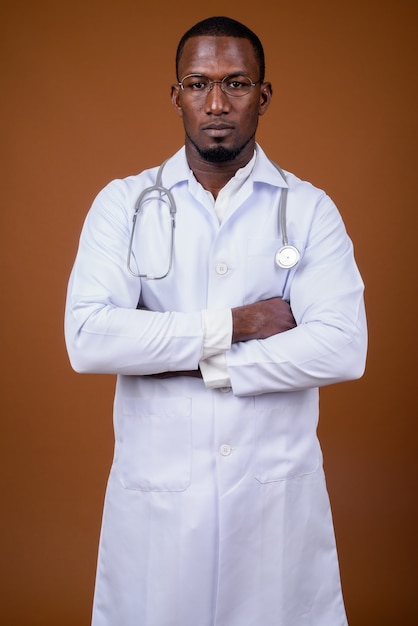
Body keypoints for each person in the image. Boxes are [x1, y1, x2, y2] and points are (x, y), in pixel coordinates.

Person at [65, 15, 367, 626]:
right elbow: (90, 339)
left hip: (270, 500)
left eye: (237, 83)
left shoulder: (308, 209)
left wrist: (202, 361)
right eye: (198, 83)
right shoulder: (124, 204)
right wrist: (238, 322)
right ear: (176, 95)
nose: (217, 103)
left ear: (264, 95)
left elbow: (341, 349)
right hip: (161, 500)